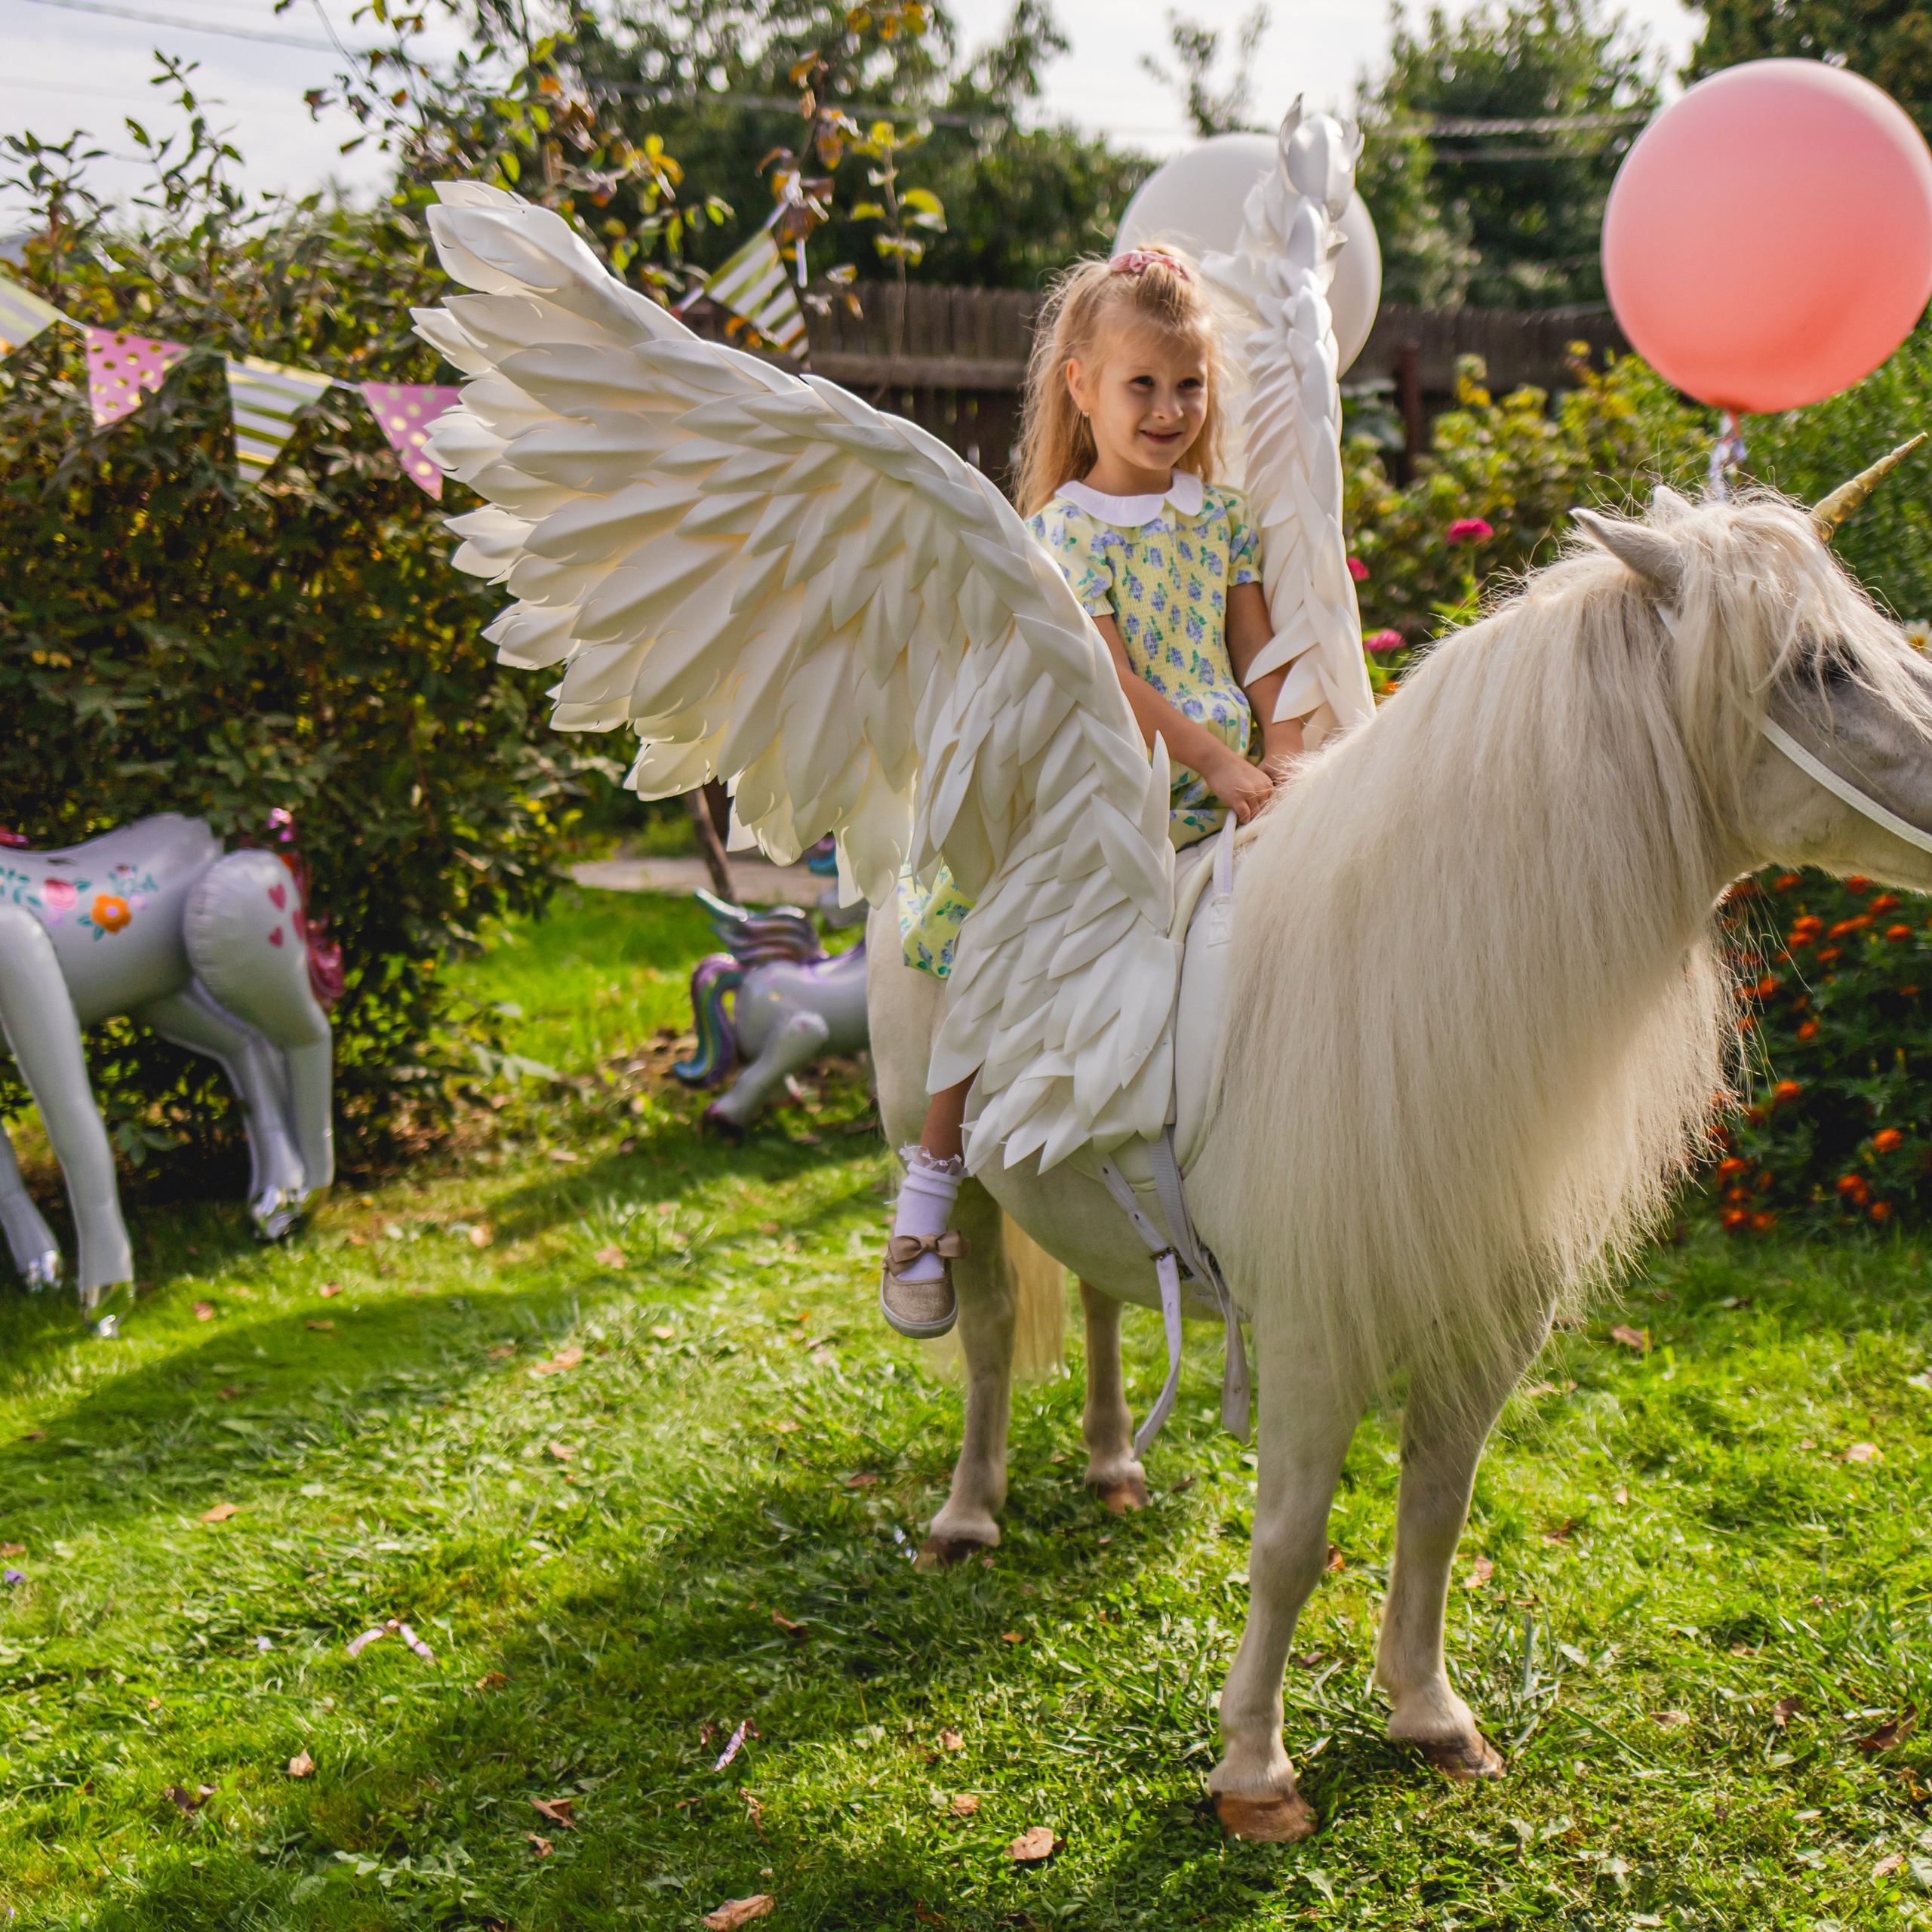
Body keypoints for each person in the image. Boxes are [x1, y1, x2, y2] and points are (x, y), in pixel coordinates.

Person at [880, 244, 1304, 1340]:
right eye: (1142, 385)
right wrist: (1215, 760)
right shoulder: (1062, 533)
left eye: (1189, 385)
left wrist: (1292, 747)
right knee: (989, 926)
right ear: (1082, 386)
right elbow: (1108, 680)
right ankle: (930, 1182)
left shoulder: (1223, 519)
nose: (1169, 411)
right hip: (1106, 788)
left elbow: (1257, 652)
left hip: (1223, 786)